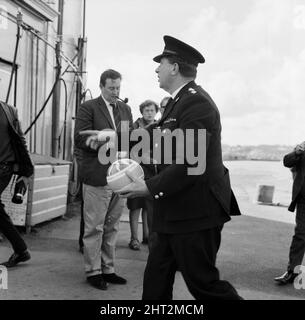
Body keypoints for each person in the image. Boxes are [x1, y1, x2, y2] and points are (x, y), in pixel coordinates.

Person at [118, 35, 243, 299]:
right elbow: (158, 134)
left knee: (204, 285)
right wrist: (113, 137)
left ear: (174, 67)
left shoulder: (197, 103)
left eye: (160, 63)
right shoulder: (179, 101)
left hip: (196, 213)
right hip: (174, 211)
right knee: (155, 281)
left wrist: (148, 187)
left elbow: (189, 163)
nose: (156, 69)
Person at [74, 69, 133, 290]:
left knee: (113, 226)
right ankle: (93, 271)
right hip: (97, 176)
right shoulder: (88, 107)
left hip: (120, 176)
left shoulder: (126, 109)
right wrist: (105, 138)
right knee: (94, 227)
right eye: (111, 88)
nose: (115, 92)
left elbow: (128, 140)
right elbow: (80, 139)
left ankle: (108, 269)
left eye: (118, 88)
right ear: (101, 86)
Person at [0, 100, 33, 268]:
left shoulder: (9, 110)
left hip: (4, 168)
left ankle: (21, 250)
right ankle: (21, 250)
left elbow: (20, 139)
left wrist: (27, 171)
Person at [128, 100, 158, 251]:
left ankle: (147, 235)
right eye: (146, 110)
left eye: (152, 110)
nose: (149, 113)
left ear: (156, 111)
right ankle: (134, 238)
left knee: (149, 206)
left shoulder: (160, 126)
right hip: (137, 170)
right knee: (135, 206)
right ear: (142, 112)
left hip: (153, 171)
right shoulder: (135, 127)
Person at [274, 141, 305, 285]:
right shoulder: (303, 146)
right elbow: (287, 161)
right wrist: (297, 152)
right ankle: (292, 271)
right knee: (300, 235)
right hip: (303, 200)